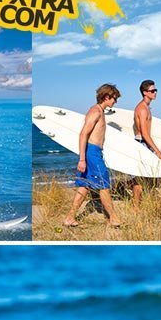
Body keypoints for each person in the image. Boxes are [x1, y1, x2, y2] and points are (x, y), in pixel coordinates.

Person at [63, 83, 121, 228]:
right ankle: (114, 218)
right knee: (104, 184)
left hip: (94, 152)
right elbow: (83, 134)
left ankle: (69, 217)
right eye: (114, 98)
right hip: (92, 153)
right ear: (106, 97)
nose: (115, 101)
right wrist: (82, 159)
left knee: (85, 186)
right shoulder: (95, 112)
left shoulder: (100, 111)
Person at [131, 81, 161, 207]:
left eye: (156, 90)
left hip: (143, 143)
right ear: (145, 92)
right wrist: (157, 151)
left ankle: (140, 204)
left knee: (147, 176)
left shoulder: (146, 107)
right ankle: (136, 208)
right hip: (142, 144)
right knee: (140, 178)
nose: (155, 93)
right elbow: (144, 134)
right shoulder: (142, 109)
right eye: (152, 91)